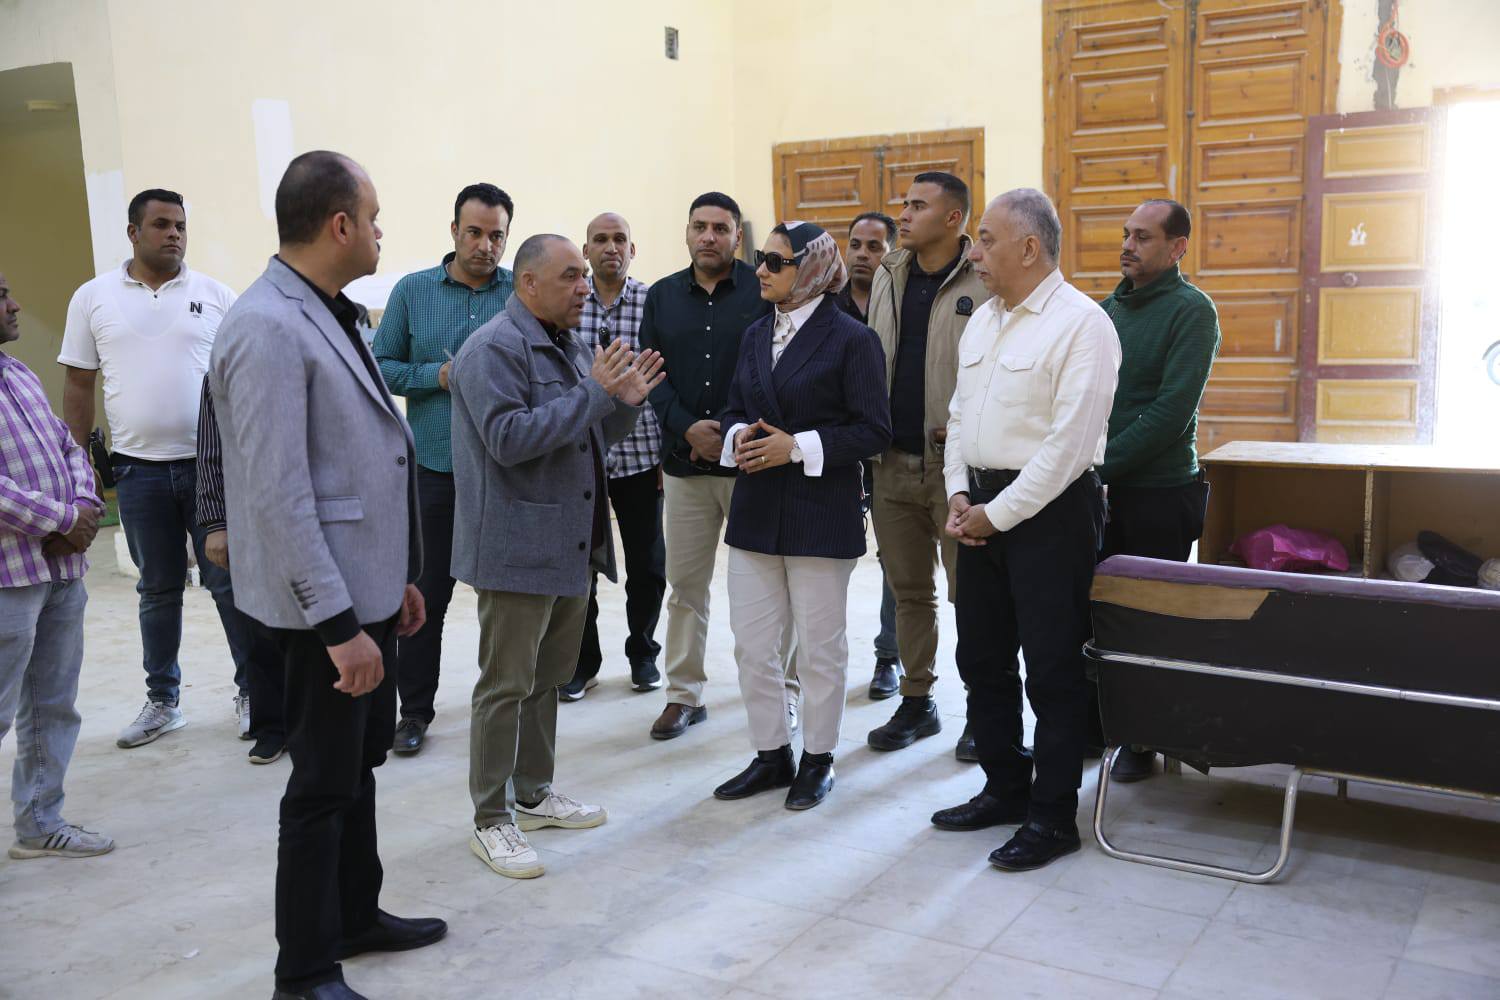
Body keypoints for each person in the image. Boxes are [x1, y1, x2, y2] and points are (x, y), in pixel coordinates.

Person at [210, 151, 445, 1000]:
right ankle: (304, 971)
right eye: (373, 218)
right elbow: (276, 495)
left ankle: (355, 914)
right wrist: (340, 626)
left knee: (358, 766)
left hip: (362, 590)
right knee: (318, 788)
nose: (381, 231)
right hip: (320, 612)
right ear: (340, 225)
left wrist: (396, 579)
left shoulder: (329, 311)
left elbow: (361, 458)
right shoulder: (267, 326)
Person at [451, 234, 662, 880]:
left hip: (570, 541)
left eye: (583, 276)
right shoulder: (492, 350)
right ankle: (491, 818)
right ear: (528, 283)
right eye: (570, 275)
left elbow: (588, 432)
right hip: (517, 545)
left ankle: (534, 793)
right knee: (505, 684)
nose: (584, 286)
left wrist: (623, 404)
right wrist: (596, 394)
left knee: (547, 677)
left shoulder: (568, 343)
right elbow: (509, 439)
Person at [934, 189, 1119, 873]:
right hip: (980, 504)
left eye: (986, 239)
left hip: (1052, 513)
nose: (974, 253)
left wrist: (997, 512)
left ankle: (1052, 815)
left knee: (1051, 667)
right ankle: (1004, 787)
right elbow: (960, 416)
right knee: (982, 658)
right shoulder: (983, 320)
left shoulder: (1083, 325)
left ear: (1030, 247)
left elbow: (1068, 448)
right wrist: (959, 493)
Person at [59, 188, 269, 749]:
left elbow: (244, 380)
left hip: (212, 471)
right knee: (157, 590)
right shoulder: (93, 298)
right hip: (137, 473)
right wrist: (76, 465)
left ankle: (254, 692)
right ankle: (163, 701)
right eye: (160, 225)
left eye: (180, 225)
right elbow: (79, 383)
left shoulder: (217, 296)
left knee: (228, 583)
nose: (174, 234)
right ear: (133, 232)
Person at [712, 223, 891, 810]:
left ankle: (818, 758)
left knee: (819, 649)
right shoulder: (754, 333)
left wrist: (797, 446)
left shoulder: (853, 339)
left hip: (820, 511)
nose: (760, 270)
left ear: (810, 269)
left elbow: (874, 430)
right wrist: (738, 435)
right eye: (760, 258)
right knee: (752, 645)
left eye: (775, 261)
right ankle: (771, 755)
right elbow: (733, 407)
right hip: (756, 510)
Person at [639, 192, 796, 742]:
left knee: (773, 588)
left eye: (720, 228)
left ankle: (785, 690)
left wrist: (731, 434)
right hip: (686, 468)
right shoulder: (661, 296)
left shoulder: (763, 290)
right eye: (699, 226)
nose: (709, 236)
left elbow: (779, 366)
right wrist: (687, 428)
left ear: (737, 236)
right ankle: (684, 694)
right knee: (685, 587)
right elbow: (649, 374)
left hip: (752, 465)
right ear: (687, 232)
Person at [373, 183, 515, 755]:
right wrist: (437, 376)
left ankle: (508, 706)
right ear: (454, 230)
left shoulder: (522, 291)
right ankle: (414, 713)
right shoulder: (412, 292)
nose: (485, 245)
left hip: (505, 473)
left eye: (496, 235)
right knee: (425, 598)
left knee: (505, 602)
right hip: (434, 470)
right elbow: (380, 367)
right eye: (474, 232)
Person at [865, 172, 990, 760]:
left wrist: (970, 429)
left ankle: (985, 708)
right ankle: (918, 701)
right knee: (910, 593)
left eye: (918, 206)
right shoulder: (888, 272)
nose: (904, 215)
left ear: (953, 218)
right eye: (905, 204)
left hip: (957, 470)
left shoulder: (984, 278)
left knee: (975, 596)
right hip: (891, 462)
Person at [1097, 199, 1220, 782]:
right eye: (1126, 234)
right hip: (1098, 489)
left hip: (1159, 494)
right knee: (1095, 617)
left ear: (1177, 248)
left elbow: (1171, 412)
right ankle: (1098, 724)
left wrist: (1096, 467)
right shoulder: (1105, 310)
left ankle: (1142, 738)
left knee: (1148, 624)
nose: (1128, 245)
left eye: (1143, 237)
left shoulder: (1192, 311)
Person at [0, 270, 113, 860]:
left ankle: (40, 823)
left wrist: (85, 508)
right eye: (1, 296)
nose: (15, 304)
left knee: (52, 706)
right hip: (9, 578)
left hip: (60, 572)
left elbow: (68, 444)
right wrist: (60, 520)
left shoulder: (16, 373)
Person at [563, 212, 667, 700]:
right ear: (585, 251)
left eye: (620, 239)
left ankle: (643, 653)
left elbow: (668, 378)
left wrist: (667, 453)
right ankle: (581, 662)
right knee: (580, 565)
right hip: (580, 455)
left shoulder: (653, 303)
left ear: (633, 249)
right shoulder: (569, 301)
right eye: (600, 240)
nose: (611, 247)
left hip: (642, 454)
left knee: (647, 564)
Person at [195, 376, 287, 764]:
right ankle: (272, 727)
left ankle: (316, 724)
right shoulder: (225, 368)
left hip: (317, 514)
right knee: (259, 626)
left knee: (319, 629)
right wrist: (216, 523)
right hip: (252, 517)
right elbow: (210, 453)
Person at [833, 212, 902, 699]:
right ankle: (818, 658)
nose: (861, 254)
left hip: (891, 450)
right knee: (826, 558)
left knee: (895, 561)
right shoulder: (824, 304)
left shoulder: (902, 302)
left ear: (892, 253)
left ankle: (889, 656)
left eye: (874, 246)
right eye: (855, 244)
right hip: (836, 451)